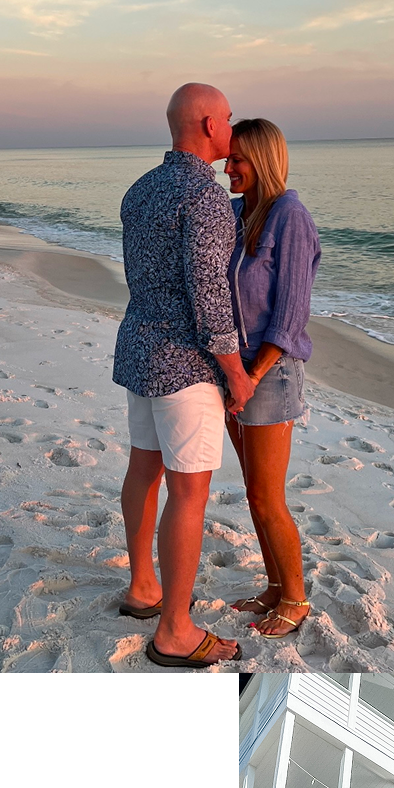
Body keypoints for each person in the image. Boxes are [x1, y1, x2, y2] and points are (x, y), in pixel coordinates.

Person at [113, 80, 252, 667]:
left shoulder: (139, 190)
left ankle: (143, 586)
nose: (229, 126)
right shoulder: (205, 197)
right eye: (225, 118)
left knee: (143, 469)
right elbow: (210, 297)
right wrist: (236, 374)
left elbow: (145, 276)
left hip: (140, 348)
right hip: (187, 364)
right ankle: (174, 629)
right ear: (206, 125)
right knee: (189, 491)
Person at [224, 119, 321, 638]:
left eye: (238, 159)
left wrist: (250, 375)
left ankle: (298, 598)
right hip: (235, 372)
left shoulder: (291, 216)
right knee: (253, 490)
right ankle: (275, 587)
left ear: (262, 159)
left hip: (269, 373)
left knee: (267, 495)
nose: (227, 167)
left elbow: (290, 314)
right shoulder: (240, 213)